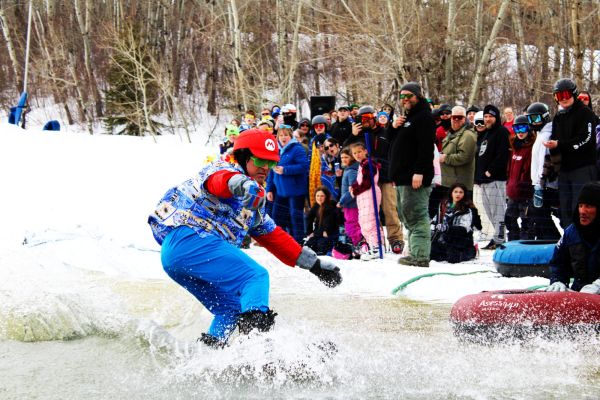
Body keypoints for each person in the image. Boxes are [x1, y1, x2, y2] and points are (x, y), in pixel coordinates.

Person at [147, 129, 341, 347]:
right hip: (189, 239)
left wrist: (314, 265)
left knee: (230, 308)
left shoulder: (253, 203)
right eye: (260, 161)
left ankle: (208, 353)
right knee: (254, 277)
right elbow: (221, 181)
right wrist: (244, 185)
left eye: (270, 163)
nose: (265, 169)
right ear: (243, 157)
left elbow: (273, 236)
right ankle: (257, 349)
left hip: (177, 257)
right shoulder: (222, 169)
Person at [388, 82, 436, 268]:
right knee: (407, 216)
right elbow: (392, 144)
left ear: (418, 96)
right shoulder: (408, 118)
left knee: (416, 216)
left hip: (414, 177)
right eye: (402, 96)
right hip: (401, 177)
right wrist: (393, 127)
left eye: (409, 95)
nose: (405, 99)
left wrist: (419, 172)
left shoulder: (423, 117)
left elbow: (426, 149)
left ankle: (420, 256)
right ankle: (415, 252)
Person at [546, 78, 598, 228]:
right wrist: (553, 148)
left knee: (581, 208)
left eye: (566, 95)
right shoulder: (559, 117)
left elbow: (586, 139)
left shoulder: (585, 113)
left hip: (583, 168)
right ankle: (571, 242)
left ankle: (586, 242)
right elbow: (555, 139)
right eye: (558, 96)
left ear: (574, 94)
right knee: (565, 209)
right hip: (564, 169)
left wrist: (560, 145)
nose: (563, 99)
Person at [545, 182, 600, 293]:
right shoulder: (571, 233)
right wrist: (557, 281)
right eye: (580, 206)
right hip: (579, 293)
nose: (583, 211)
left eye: (588, 206)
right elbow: (558, 263)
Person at [474, 104, 511, 250]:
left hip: (495, 179)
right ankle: (496, 237)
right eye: (486, 116)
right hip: (483, 181)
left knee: (498, 211)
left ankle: (500, 239)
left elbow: (503, 154)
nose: (488, 119)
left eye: (490, 116)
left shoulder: (501, 131)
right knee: (489, 211)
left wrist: (490, 171)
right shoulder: (485, 133)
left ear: (496, 117)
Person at [266, 125, 309, 244]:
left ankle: (298, 241)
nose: (283, 137)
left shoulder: (297, 148)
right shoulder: (276, 150)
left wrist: (285, 170)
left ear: (290, 136)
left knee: (295, 217)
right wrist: (269, 189)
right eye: (281, 135)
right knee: (277, 216)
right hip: (280, 190)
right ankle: (283, 242)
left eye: (286, 135)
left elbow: (304, 166)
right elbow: (271, 171)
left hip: (296, 190)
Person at [527, 102, 561, 241]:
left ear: (545, 117)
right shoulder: (541, 133)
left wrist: (540, 184)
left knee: (540, 214)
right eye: (530, 119)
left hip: (546, 184)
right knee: (538, 215)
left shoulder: (546, 135)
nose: (533, 122)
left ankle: (554, 241)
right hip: (540, 183)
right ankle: (545, 241)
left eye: (536, 118)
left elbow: (544, 160)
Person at [430, 182, 482, 263]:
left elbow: (464, 229)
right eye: (456, 192)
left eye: (461, 192)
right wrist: (433, 226)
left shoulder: (467, 209)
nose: (458, 194)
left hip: (460, 240)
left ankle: (472, 250)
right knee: (432, 254)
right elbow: (435, 220)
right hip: (443, 239)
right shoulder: (443, 205)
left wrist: (447, 228)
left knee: (453, 258)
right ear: (451, 193)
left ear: (464, 194)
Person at [349, 142, 383, 261]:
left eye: (359, 152)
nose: (357, 155)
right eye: (354, 153)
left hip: (369, 194)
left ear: (365, 151)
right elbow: (360, 181)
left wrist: (355, 190)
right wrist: (353, 187)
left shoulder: (368, 163)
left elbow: (367, 183)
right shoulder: (362, 165)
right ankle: (372, 245)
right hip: (363, 197)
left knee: (370, 220)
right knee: (363, 221)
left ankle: (376, 246)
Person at [505, 115, 536, 241]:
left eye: (523, 128)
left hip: (525, 194)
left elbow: (528, 170)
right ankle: (513, 241)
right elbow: (509, 169)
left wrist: (525, 186)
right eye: (517, 129)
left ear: (528, 129)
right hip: (513, 192)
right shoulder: (514, 147)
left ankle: (526, 244)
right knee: (509, 219)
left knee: (527, 222)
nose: (520, 132)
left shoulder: (531, 148)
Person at [439, 106, 477, 199]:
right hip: (450, 183)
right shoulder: (452, 133)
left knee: (462, 211)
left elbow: (465, 157)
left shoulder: (468, 135)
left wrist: (445, 158)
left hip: (461, 186)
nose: (456, 119)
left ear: (465, 119)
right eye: (453, 117)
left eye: (459, 117)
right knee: (450, 211)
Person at [337, 147, 362, 249]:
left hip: (352, 204)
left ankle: (357, 244)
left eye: (346, 157)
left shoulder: (352, 171)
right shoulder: (347, 169)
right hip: (349, 204)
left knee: (352, 225)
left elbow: (353, 191)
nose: (343, 159)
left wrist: (342, 201)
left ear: (352, 157)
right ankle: (356, 243)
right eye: (342, 157)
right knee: (351, 224)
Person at [305, 186, 341, 255]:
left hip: (330, 233)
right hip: (320, 232)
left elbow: (329, 225)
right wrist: (309, 232)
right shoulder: (316, 206)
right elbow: (309, 218)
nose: (319, 198)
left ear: (326, 196)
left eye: (322, 196)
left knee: (321, 245)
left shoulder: (330, 206)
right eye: (317, 196)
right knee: (309, 244)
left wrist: (322, 232)